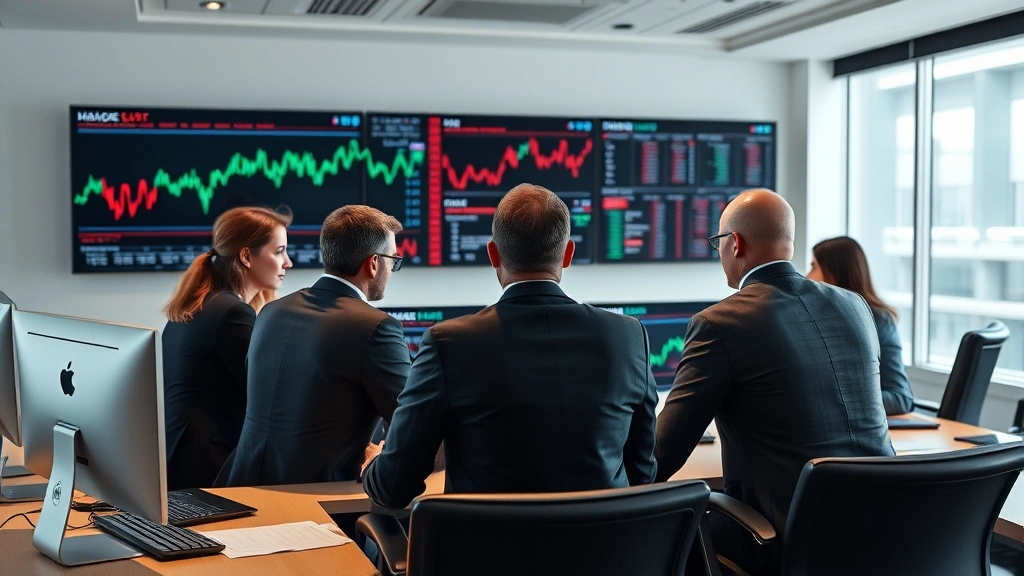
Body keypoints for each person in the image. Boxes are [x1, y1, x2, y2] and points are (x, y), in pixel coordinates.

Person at [362, 183, 658, 509]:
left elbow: (393, 488)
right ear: (568, 254)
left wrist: (375, 463)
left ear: (493, 254)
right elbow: (643, 478)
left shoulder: (448, 344)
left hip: (490, 544)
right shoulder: (629, 336)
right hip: (607, 541)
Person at [655, 189, 893, 573]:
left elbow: (661, 456)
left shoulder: (720, 323)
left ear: (735, 243)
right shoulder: (855, 306)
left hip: (781, 544)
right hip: (886, 536)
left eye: (717, 242)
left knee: (674, 537)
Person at [215, 205, 410, 486]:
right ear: (374, 263)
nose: (392, 269)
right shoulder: (376, 328)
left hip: (241, 487)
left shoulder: (271, 312)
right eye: (394, 260)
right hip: (312, 499)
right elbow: (412, 420)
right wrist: (380, 457)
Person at [162, 206, 294, 490]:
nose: (288, 262)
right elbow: (273, 395)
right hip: (208, 471)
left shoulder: (199, 305)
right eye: (279, 251)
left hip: (181, 465)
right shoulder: (231, 314)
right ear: (246, 256)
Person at [807, 236, 915, 415]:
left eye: (813, 267)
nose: (807, 276)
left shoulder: (879, 321)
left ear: (835, 272)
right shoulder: (808, 317)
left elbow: (901, 397)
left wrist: (840, 400)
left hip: (860, 424)